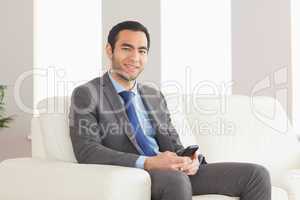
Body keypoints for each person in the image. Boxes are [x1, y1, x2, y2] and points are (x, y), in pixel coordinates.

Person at [69, 20, 271, 200]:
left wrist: (191, 159)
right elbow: (88, 151)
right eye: (126, 48)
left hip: (171, 171)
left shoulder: (153, 95)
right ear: (109, 50)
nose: (135, 57)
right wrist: (148, 162)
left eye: (142, 51)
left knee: (256, 175)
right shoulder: (87, 93)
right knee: (176, 181)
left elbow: (174, 145)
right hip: (136, 173)